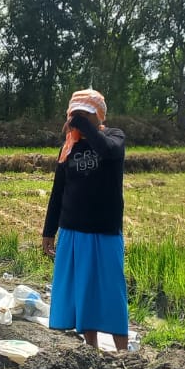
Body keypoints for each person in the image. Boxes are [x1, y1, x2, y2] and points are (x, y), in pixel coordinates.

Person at [41, 89, 129, 352]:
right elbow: (58, 192)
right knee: (84, 292)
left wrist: (83, 125)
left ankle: (124, 354)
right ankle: (91, 348)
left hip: (105, 230)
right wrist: (49, 231)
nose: (78, 120)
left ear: (99, 116)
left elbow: (108, 150)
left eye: (85, 115)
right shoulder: (68, 147)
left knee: (112, 292)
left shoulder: (114, 137)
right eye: (75, 115)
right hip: (73, 230)